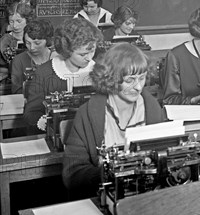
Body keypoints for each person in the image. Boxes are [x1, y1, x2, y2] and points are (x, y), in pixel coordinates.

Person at [62, 44, 165, 199]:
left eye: (142, 78)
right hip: (104, 196)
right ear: (111, 78)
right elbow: (72, 173)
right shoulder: (88, 113)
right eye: (130, 80)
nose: (138, 87)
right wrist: (108, 173)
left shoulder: (152, 109)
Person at [23, 18, 103, 130]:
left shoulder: (100, 71)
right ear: (66, 50)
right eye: (83, 54)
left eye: (92, 51)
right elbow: (30, 114)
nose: (89, 58)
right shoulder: (44, 73)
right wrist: (47, 122)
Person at [10, 19, 55, 94]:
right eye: (28, 43)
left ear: (48, 40)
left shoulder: (57, 58)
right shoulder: (18, 60)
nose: (32, 47)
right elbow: (16, 90)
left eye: (37, 43)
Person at [1, 1, 35, 68]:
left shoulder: (34, 36)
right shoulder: (6, 40)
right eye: (11, 21)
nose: (15, 26)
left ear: (27, 20)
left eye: (19, 21)